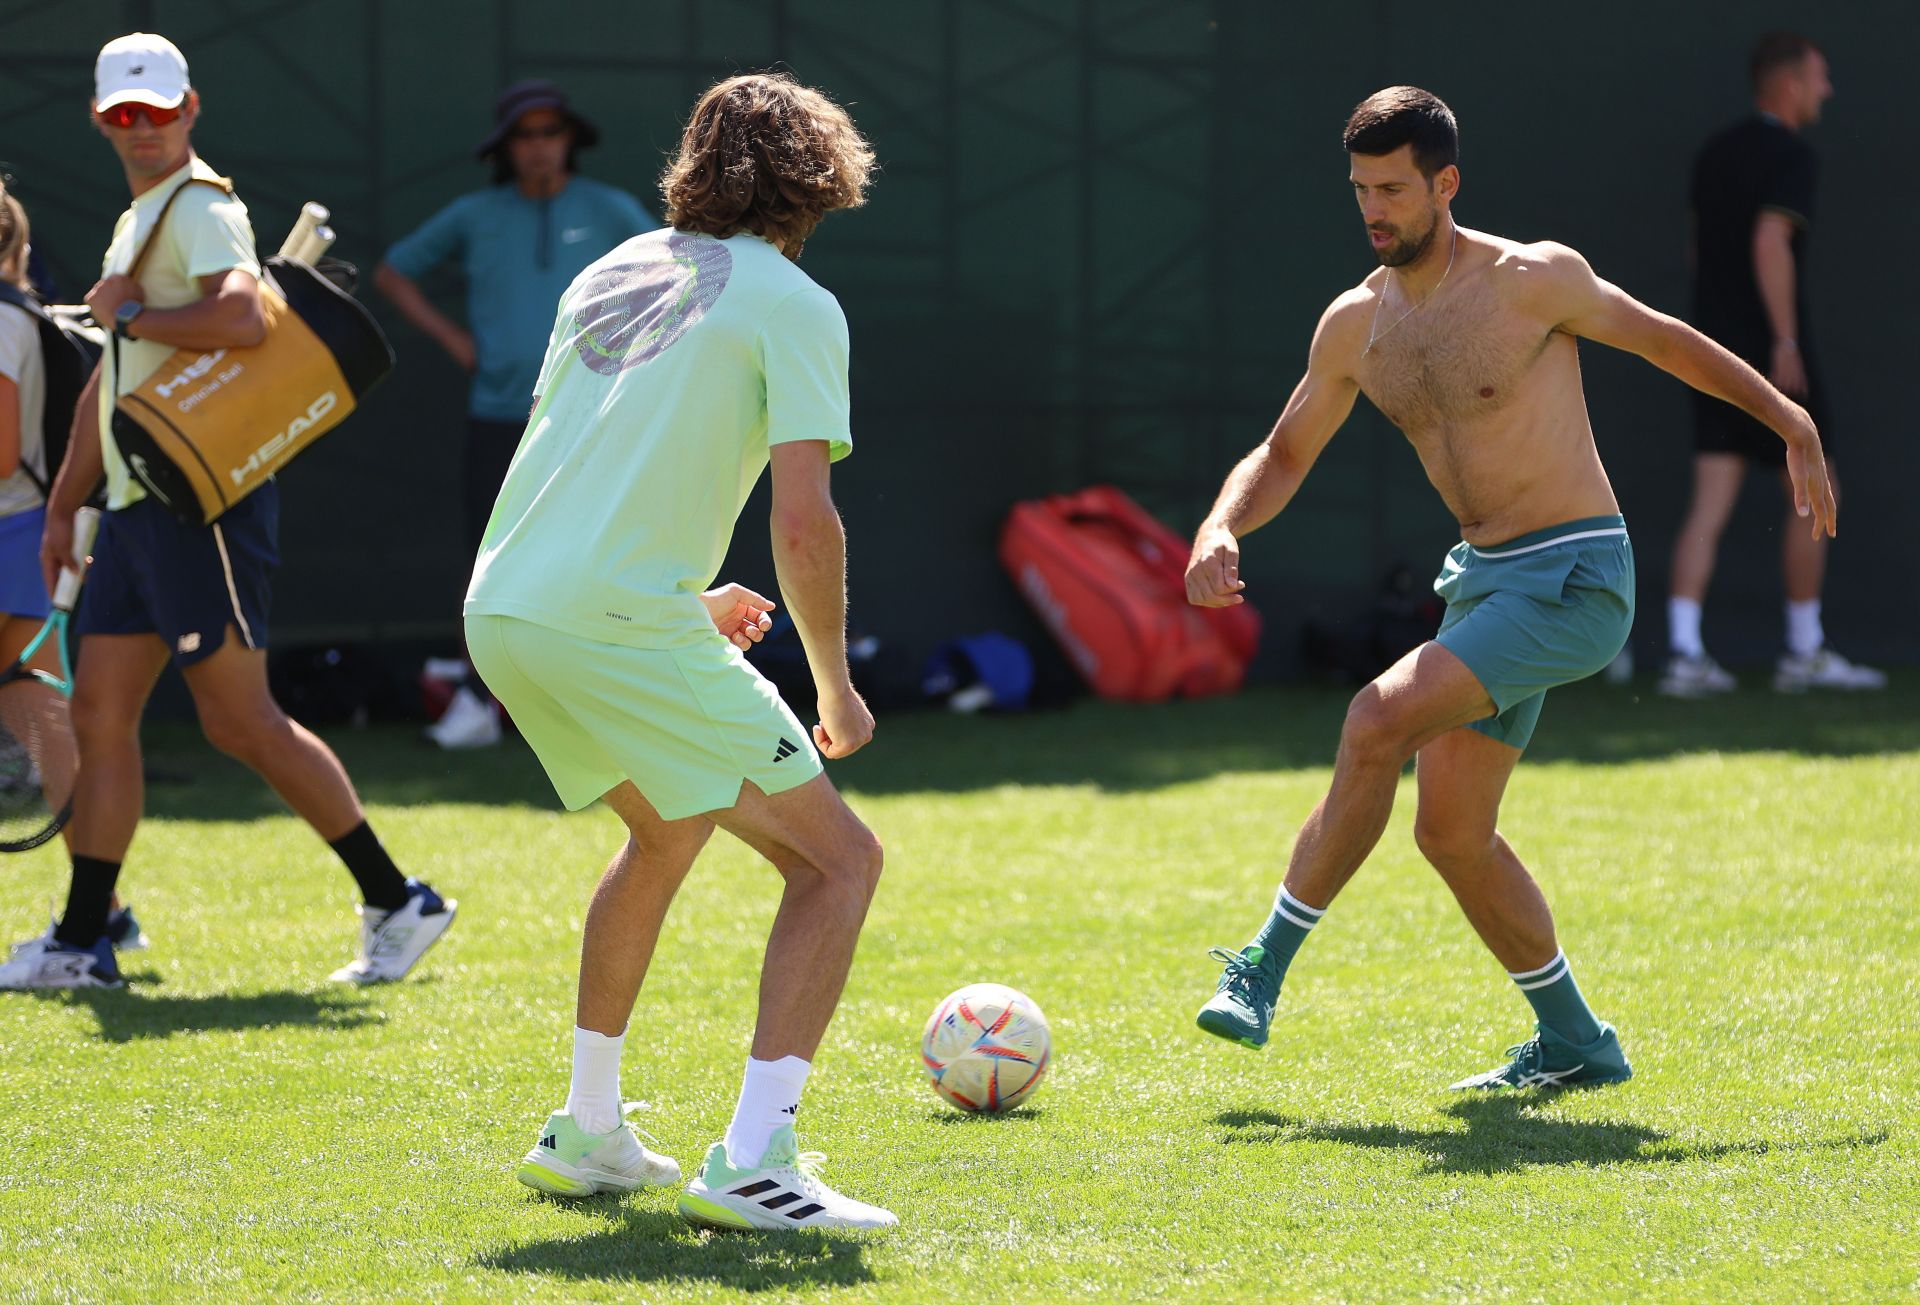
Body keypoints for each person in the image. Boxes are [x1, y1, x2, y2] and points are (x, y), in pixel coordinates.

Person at [1188, 87, 1833, 1089]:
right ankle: (1579, 1042)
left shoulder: (1533, 280)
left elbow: (1665, 339)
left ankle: (1261, 970)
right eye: (1362, 189)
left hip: (1576, 576)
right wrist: (1220, 522)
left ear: (1446, 183)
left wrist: (1788, 417)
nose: (1375, 209)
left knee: (1373, 720)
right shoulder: (1353, 324)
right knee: (1451, 832)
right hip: (1484, 586)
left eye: (1394, 189)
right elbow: (1282, 453)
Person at [464, 72, 894, 1230]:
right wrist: (836, 685)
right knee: (838, 864)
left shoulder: (611, 270)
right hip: (605, 620)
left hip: (507, 609)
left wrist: (681, 602)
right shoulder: (796, 301)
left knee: (664, 831)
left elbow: (584, 468)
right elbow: (805, 520)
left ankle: (588, 1133)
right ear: (821, 173)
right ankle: (758, 1162)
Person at [0, 32, 454, 992]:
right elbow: (113, 386)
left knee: (240, 720)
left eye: (156, 111)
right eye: (123, 114)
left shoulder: (203, 208)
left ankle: (397, 897)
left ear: (189, 109)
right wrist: (62, 506)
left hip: (196, 504)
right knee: (101, 710)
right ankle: (85, 937)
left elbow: (245, 318)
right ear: (99, 119)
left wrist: (128, 315)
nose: (141, 128)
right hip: (133, 507)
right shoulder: (146, 218)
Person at [375, 80, 656, 748]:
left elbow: (680, 275)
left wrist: (628, 352)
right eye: (526, 135)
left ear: (569, 141)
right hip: (499, 414)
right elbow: (393, 272)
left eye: (550, 132)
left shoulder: (611, 209)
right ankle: (480, 699)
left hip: (589, 419)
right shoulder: (476, 214)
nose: (539, 147)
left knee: (592, 553)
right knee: (493, 559)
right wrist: (455, 341)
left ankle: (586, 704)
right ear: (508, 147)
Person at [1661, 33, 1882, 697]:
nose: (1827, 91)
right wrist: (1784, 342)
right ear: (1788, 85)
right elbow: (1768, 239)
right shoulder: (1791, 155)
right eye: (1820, 78)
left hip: (1709, 353)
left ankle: (1681, 652)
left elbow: (1702, 252)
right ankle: (1804, 650)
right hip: (1771, 355)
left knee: (1711, 502)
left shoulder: (1713, 154)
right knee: (1817, 492)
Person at [0, 182, 145, 955]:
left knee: (53, 724)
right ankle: (106, 909)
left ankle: (101, 913)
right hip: (26, 540)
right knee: (48, 723)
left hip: (13, 539)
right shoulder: (18, 314)